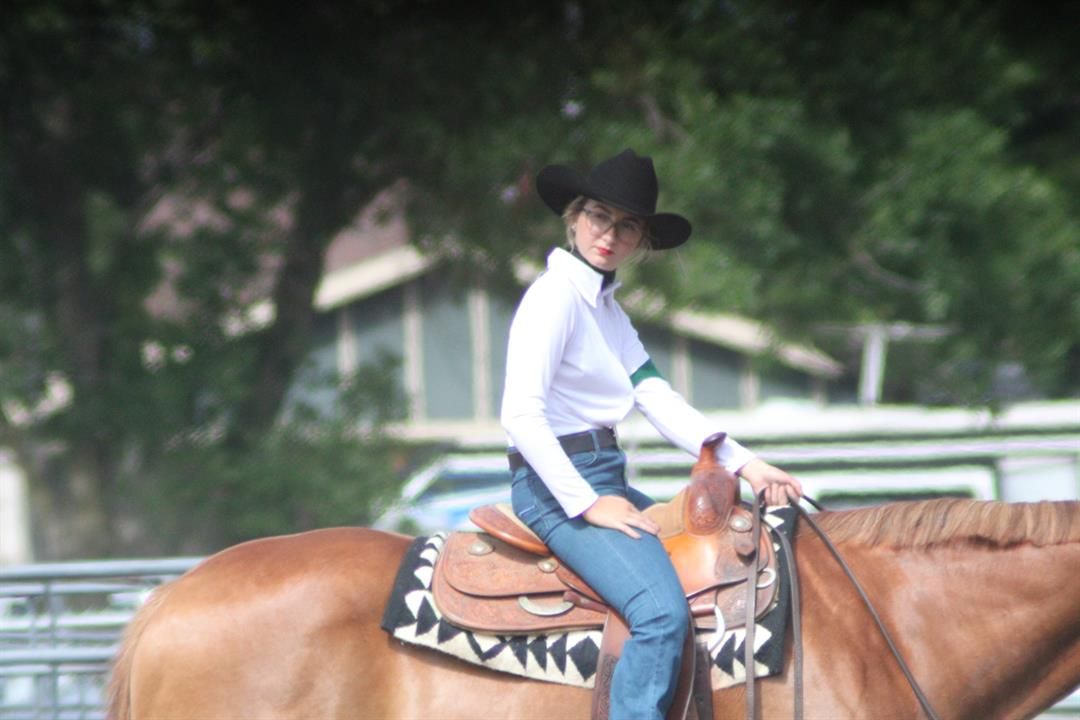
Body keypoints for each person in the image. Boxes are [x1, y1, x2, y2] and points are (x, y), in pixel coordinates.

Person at [499, 148, 803, 720]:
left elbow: (656, 396)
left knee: (711, 564)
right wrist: (588, 505)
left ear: (641, 240)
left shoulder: (608, 312)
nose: (609, 235)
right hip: (555, 487)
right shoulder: (553, 299)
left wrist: (746, 465)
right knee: (660, 614)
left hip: (603, 474)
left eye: (627, 225)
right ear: (573, 218)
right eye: (597, 216)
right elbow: (520, 415)